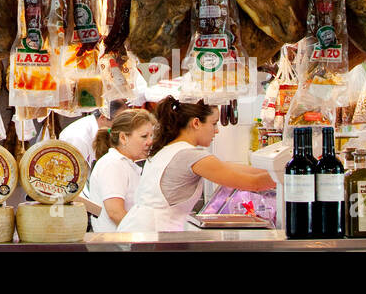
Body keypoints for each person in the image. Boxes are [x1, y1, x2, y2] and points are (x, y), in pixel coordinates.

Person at [118, 96, 276, 233]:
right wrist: (291, 177)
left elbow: (234, 168)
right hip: (151, 234)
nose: (217, 131)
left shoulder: (172, 149)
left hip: (139, 231)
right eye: (213, 123)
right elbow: (253, 184)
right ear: (196, 123)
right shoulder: (189, 155)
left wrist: (278, 170)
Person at [82, 108, 158, 233]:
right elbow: (115, 212)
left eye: (151, 136)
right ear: (123, 138)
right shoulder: (113, 164)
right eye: (144, 136)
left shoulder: (125, 164)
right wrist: (143, 237)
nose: (150, 142)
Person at [59, 100, 127, 166]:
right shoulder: (78, 137)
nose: (122, 127)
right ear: (103, 118)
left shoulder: (104, 131)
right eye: (119, 122)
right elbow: (75, 173)